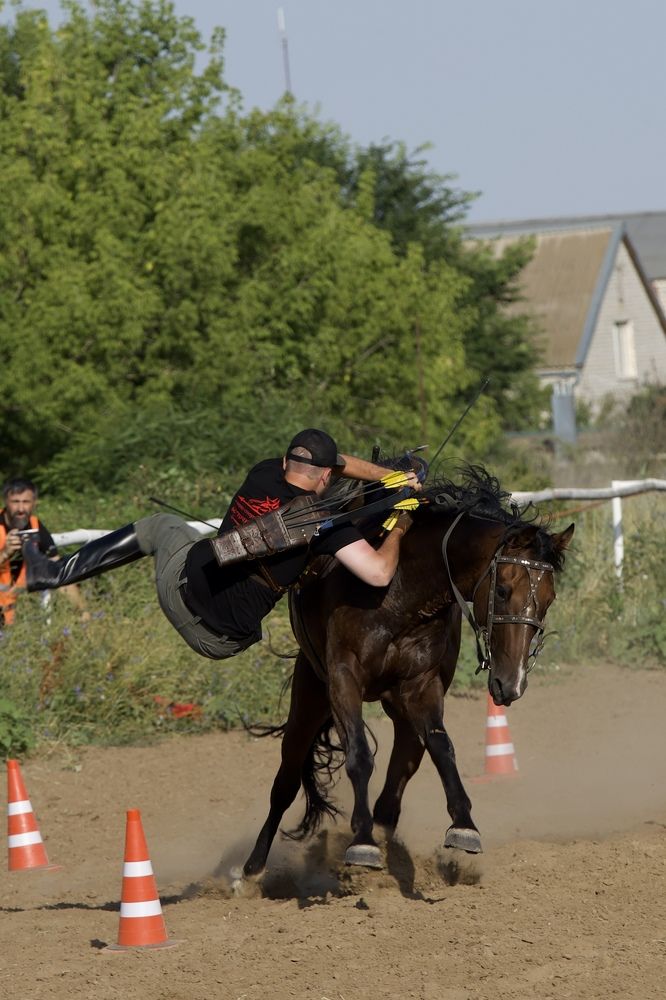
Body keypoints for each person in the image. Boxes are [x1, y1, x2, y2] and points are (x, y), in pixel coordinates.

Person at [24, 429, 420, 660]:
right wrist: (399, 522)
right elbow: (378, 573)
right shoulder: (325, 526)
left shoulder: (264, 472)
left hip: (178, 589)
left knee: (160, 524)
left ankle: (52, 572)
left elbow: (337, 461)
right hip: (217, 641)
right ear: (326, 477)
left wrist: (386, 477)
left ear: (286, 462)